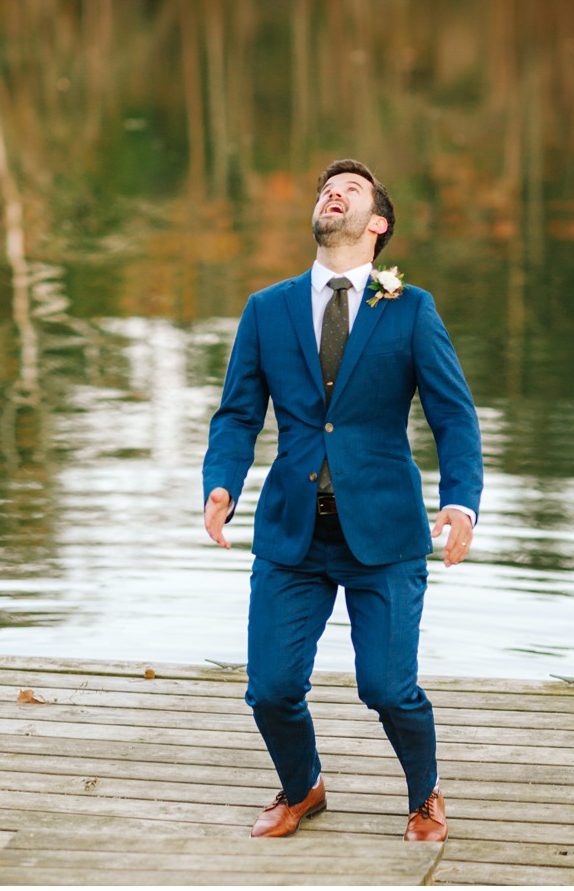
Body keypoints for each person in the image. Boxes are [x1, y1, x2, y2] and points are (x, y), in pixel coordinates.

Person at [201, 159, 481, 844]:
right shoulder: (267, 308)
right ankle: (303, 788)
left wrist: (461, 502)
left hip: (384, 530)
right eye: (328, 188)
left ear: (376, 224)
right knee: (269, 689)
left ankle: (424, 794)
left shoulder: (410, 307)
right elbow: (238, 414)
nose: (333, 193)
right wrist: (222, 482)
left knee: (387, 688)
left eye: (350, 189)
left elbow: (454, 415)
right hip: (292, 532)